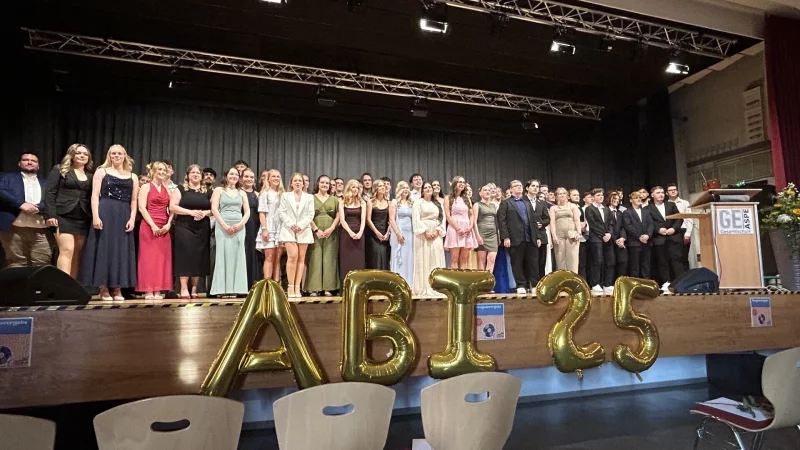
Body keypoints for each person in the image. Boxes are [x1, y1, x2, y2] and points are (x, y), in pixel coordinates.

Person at [80, 145, 139, 301]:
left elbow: (134, 200)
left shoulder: (133, 176)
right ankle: (103, 287)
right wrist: (96, 216)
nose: (116, 156)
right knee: (104, 248)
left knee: (121, 249)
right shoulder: (102, 171)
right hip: (105, 211)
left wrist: (132, 218)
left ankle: (117, 287)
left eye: (119, 153)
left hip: (124, 213)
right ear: (109, 156)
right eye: (113, 153)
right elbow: (94, 196)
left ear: (124, 156)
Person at [44, 144, 93, 278]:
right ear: (71, 155)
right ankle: (63, 287)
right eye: (78, 153)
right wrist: (50, 214)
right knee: (67, 250)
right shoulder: (60, 170)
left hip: (82, 217)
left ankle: (73, 286)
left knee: (77, 252)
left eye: (85, 154)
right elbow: (50, 193)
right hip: (62, 215)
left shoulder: (90, 176)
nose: (82, 156)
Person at [0, 152, 52, 268]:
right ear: (19, 163)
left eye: (33, 161)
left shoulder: (47, 182)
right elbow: (1, 192)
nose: (29, 162)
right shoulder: (6, 177)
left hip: (40, 230)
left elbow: (52, 199)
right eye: (25, 160)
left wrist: (38, 208)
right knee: (16, 263)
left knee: (42, 265)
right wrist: (21, 204)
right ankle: (18, 287)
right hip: (13, 228)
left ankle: (38, 287)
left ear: (38, 166)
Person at [170, 164, 212, 299]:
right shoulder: (180, 189)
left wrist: (204, 213)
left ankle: (194, 288)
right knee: (185, 256)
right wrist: (190, 212)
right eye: (193, 172)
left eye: (198, 173)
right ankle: (183, 288)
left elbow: (214, 209)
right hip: (184, 227)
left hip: (202, 227)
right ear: (187, 175)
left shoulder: (208, 191)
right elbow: (173, 207)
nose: (195, 175)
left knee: (199, 257)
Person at [210, 167, 250, 299]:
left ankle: (236, 289)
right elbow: (214, 209)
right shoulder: (218, 190)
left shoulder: (242, 192)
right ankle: (222, 289)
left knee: (238, 257)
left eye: (236, 174)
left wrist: (239, 225)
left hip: (239, 227)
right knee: (222, 256)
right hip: (223, 226)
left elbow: (247, 212)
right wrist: (224, 225)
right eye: (231, 174)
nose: (234, 176)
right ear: (226, 176)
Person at [136, 161, 174, 300]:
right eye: (160, 169)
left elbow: (172, 209)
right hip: (149, 225)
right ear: (153, 171)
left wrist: (169, 224)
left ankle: (157, 290)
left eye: (165, 170)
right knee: (148, 259)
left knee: (161, 259)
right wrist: (152, 225)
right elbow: (141, 207)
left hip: (164, 226)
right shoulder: (146, 187)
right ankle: (148, 290)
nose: (163, 172)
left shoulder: (168, 189)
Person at [497, 180, 539, 295]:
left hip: (529, 237)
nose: (519, 187)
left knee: (532, 263)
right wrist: (505, 237)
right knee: (517, 262)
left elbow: (533, 221)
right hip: (515, 238)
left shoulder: (527, 203)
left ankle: (534, 284)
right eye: (516, 186)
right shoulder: (505, 203)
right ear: (511, 189)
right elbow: (502, 221)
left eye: (520, 186)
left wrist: (537, 237)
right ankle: (521, 284)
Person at [278, 173, 314, 298]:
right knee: (292, 256)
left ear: (303, 184)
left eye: (300, 181)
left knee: (301, 259)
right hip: (288, 229)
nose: (298, 182)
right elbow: (281, 212)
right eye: (295, 181)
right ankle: (290, 286)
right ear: (291, 183)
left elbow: (310, 214)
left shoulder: (309, 197)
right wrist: (291, 224)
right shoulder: (285, 196)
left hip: (304, 230)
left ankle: (297, 286)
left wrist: (302, 225)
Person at [305, 175, 340, 296]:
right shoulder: (310, 198)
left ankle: (328, 287)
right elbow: (307, 216)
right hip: (315, 231)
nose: (324, 185)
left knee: (329, 258)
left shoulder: (335, 199)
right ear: (318, 184)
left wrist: (331, 228)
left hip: (331, 232)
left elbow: (338, 216)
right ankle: (313, 288)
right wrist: (316, 230)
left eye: (327, 183)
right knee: (315, 258)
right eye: (322, 182)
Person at [646, 186, 683, 293]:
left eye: (662, 192)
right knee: (662, 261)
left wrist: (673, 228)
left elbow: (679, 218)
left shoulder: (671, 205)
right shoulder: (648, 208)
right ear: (652, 195)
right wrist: (658, 230)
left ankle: (680, 282)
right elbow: (649, 223)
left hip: (673, 237)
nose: (661, 194)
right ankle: (666, 281)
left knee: (676, 260)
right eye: (658, 192)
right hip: (659, 239)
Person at [412, 182, 445, 297]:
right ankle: (423, 286)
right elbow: (416, 218)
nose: (428, 189)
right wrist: (425, 231)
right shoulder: (418, 203)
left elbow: (442, 219)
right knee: (423, 258)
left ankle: (436, 286)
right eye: (425, 187)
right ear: (422, 191)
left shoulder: (437, 204)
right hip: (423, 234)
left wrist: (437, 231)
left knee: (435, 258)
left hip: (435, 233)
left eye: (429, 187)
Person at [585, 188, 615, 295]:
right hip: (596, 238)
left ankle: (607, 283)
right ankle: (595, 283)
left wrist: (609, 234)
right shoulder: (589, 209)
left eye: (601, 195)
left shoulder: (606, 209)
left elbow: (611, 223)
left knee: (610, 261)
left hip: (607, 237)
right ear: (593, 197)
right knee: (597, 261)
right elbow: (593, 224)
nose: (600, 197)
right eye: (598, 195)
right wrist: (603, 235)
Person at [256, 169, 284, 283]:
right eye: (273, 176)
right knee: (269, 257)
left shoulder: (283, 194)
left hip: (281, 228)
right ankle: (267, 284)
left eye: (278, 176)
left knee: (277, 259)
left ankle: (276, 284)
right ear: (268, 179)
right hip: (269, 227)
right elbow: (262, 212)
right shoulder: (265, 193)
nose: (276, 178)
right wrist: (264, 229)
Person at [442, 176, 476, 269]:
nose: (462, 184)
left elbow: (471, 214)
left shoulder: (466, 198)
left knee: (464, 258)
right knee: (454, 258)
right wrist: (458, 228)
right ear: (454, 184)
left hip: (467, 229)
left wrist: (470, 226)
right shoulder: (448, 198)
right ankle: (455, 282)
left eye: (463, 182)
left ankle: (463, 281)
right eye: (459, 182)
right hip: (454, 228)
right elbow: (448, 216)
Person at [238, 168, 262, 288]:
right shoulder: (237, 192)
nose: (249, 179)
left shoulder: (258, 195)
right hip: (241, 226)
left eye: (251, 177)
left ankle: (253, 283)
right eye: (246, 176)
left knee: (254, 253)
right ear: (241, 178)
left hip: (255, 226)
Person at [339, 179, 366, 283]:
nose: (355, 189)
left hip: (359, 233)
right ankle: (346, 285)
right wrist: (350, 232)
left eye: (357, 187)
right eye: (353, 187)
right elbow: (342, 220)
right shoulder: (342, 202)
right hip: (346, 233)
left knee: (358, 260)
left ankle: (358, 284)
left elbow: (363, 219)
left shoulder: (362, 202)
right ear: (349, 188)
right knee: (347, 260)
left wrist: (360, 232)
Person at [549, 187, 581, 273]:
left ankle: (573, 280)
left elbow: (577, 220)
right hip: (559, 234)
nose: (562, 195)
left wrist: (579, 233)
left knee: (572, 258)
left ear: (567, 195)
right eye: (559, 193)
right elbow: (552, 223)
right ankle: (562, 280)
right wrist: (554, 236)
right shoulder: (553, 208)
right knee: (560, 258)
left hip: (572, 234)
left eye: (564, 193)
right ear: (556, 196)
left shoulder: (573, 206)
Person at [389, 181, 414, 288]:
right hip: (399, 232)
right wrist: (398, 233)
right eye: (403, 188)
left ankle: (409, 282)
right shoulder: (394, 202)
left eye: (407, 188)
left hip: (410, 233)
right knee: (399, 257)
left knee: (409, 257)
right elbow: (391, 219)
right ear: (399, 189)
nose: (406, 190)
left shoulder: (411, 203)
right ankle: (398, 282)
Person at [623, 191, 652, 278]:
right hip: (634, 243)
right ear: (631, 200)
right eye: (636, 198)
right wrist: (639, 236)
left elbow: (651, 224)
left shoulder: (646, 211)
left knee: (646, 265)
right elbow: (628, 226)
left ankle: (646, 284)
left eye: (640, 198)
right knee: (635, 266)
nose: (639, 199)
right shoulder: (627, 212)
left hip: (646, 242)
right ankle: (636, 285)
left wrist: (647, 235)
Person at [525, 179, 550, 281]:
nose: (535, 188)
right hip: (528, 235)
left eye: (537, 186)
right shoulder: (523, 201)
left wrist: (542, 224)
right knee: (530, 261)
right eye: (533, 186)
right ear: (527, 188)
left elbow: (547, 218)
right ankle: (532, 283)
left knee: (541, 261)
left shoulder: (542, 203)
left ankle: (541, 283)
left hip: (541, 234)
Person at [667, 183, 693, 272]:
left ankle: (687, 278)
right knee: (674, 258)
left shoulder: (685, 203)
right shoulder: (665, 204)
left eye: (675, 189)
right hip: (671, 232)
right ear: (667, 193)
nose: (673, 191)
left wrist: (688, 233)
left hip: (683, 230)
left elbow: (689, 218)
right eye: (670, 190)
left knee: (684, 257)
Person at [366, 179, 391, 270]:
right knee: (375, 257)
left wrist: (387, 233)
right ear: (376, 188)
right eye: (380, 186)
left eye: (384, 186)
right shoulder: (371, 202)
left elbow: (391, 220)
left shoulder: (389, 202)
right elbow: (368, 219)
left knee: (385, 257)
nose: (383, 187)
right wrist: (377, 232)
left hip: (385, 233)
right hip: (374, 233)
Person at [474, 184, 498, 274]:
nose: (487, 192)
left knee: (491, 260)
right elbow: (474, 222)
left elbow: (496, 221)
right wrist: (477, 236)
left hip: (493, 234)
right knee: (481, 261)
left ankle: (488, 284)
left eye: (489, 190)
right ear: (480, 193)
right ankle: (481, 284)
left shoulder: (493, 205)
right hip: (482, 234)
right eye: (485, 190)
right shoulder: (477, 205)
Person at [607, 190, 628, 281]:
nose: (616, 200)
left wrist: (622, 238)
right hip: (609, 241)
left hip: (620, 241)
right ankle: (609, 283)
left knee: (623, 261)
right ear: (609, 199)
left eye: (618, 199)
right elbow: (607, 227)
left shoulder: (620, 213)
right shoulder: (605, 211)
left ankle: (620, 282)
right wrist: (615, 239)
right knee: (610, 263)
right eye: (614, 198)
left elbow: (623, 227)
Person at [203, 168, 217, 293]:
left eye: (211, 175)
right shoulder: (197, 192)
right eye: (206, 174)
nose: (208, 176)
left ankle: (210, 289)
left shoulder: (216, 192)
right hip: (196, 228)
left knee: (212, 260)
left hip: (212, 229)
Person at [569, 189, 588, 280]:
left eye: (578, 195)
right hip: (571, 237)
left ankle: (582, 281)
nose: (577, 197)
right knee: (572, 261)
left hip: (581, 237)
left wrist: (583, 226)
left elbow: (582, 222)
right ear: (569, 197)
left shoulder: (580, 208)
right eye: (574, 195)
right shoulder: (568, 207)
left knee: (582, 261)